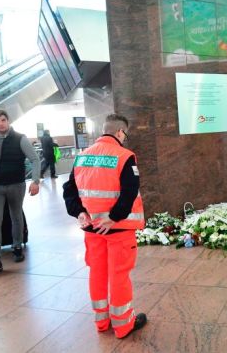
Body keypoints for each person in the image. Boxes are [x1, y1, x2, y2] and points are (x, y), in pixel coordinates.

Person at [63, 114, 148, 338]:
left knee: (97, 273)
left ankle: (102, 322)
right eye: (125, 134)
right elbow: (130, 191)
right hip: (118, 229)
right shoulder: (124, 156)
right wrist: (115, 216)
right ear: (120, 132)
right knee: (119, 275)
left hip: (92, 229)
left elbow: (69, 189)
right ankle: (123, 325)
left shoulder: (82, 156)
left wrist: (79, 213)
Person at [0, 109, 40, 275]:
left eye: (3, 120)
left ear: (8, 121)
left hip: (16, 184)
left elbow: (34, 159)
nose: (1, 123)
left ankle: (17, 246)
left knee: (16, 215)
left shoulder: (20, 138)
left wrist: (35, 181)